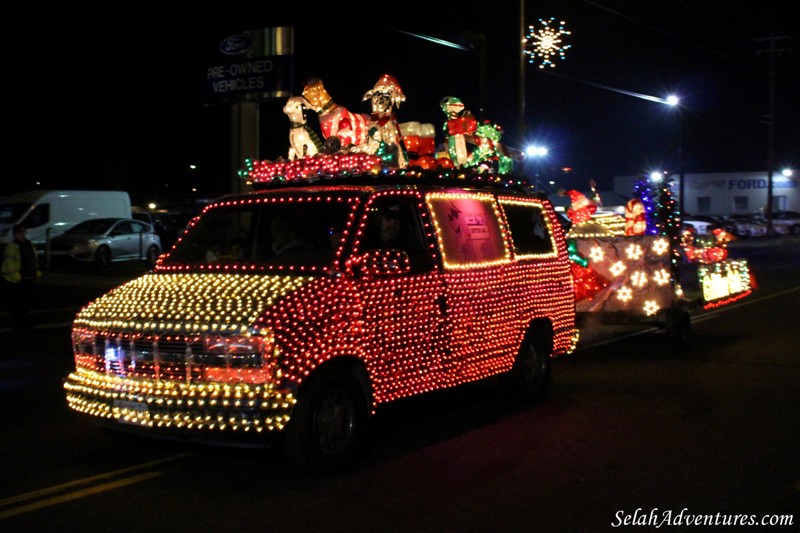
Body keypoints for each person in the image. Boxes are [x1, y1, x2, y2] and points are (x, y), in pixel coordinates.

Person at [2, 224, 41, 332]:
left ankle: (24, 324)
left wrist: (35, 272)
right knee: (18, 304)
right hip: (17, 280)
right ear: (15, 234)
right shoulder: (12, 246)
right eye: (20, 232)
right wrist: (17, 277)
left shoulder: (28, 244)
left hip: (28, 277)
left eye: (23, 232)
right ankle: (19, 325)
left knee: (25, 303)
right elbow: (9, 263)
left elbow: (33, 259)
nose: (22, 234)